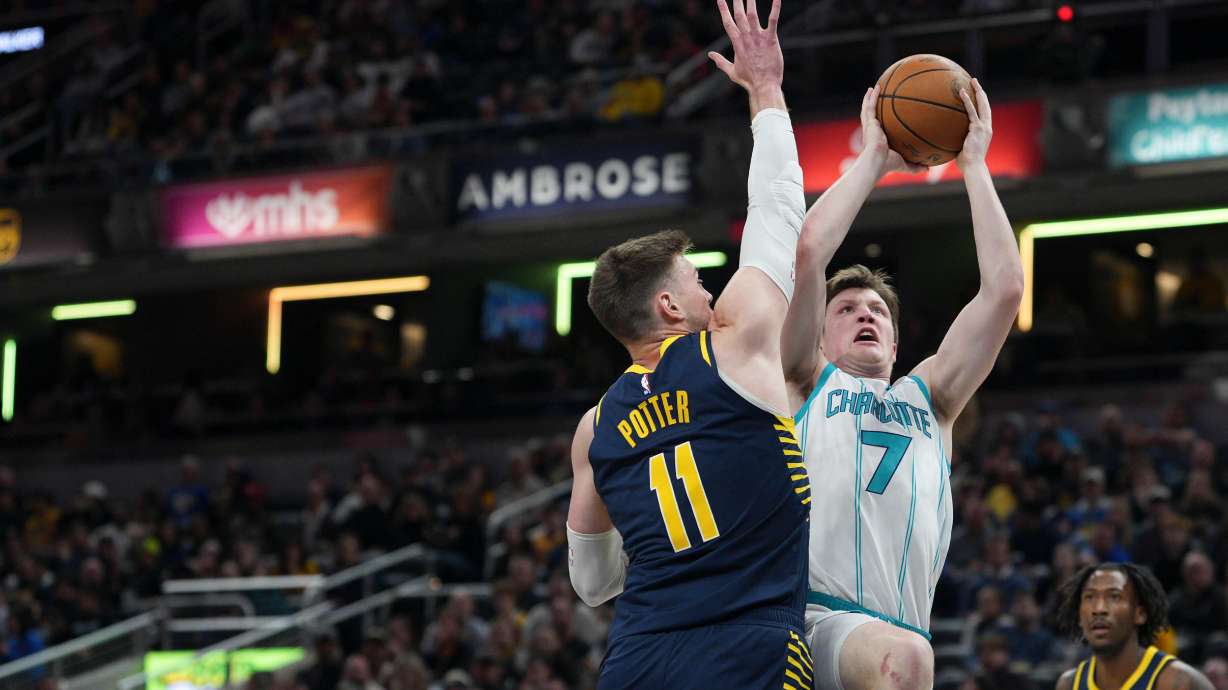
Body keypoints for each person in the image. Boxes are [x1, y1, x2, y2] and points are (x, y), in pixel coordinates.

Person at [566, 0, 813, 688]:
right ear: (669, 306)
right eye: (700, 283)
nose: (712, 293)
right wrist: (766, 90)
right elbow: (779, 209)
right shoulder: (733, 346)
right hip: (748, 647)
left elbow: (591, 584)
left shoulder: (595, 429)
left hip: (639, 658)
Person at [781, 79, 1024, 688]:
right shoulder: (805, 378)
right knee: (907, 662)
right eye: (847, 310)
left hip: (898, 628)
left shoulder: (933, 397)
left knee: (908, 657)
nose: (865, 314)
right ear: (819, 335)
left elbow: (1004, 292)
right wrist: (873, 160)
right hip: (813, 618)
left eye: (879, 312)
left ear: (895, 343)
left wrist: (974, 163)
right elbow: (810, 249)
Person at [1055, 562, 1213, 690]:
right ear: (1079, 617)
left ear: (1140, 614)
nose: (1099, 609)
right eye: (1090, 597)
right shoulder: (1069, 684)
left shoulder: (1175, 681)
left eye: (1114, 597)